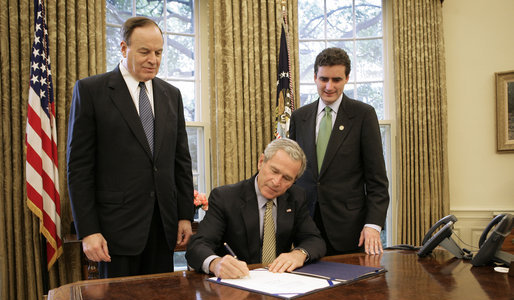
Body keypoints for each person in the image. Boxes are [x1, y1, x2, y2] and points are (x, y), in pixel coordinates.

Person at [67, 17, 194, 278]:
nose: (153, 59)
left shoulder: (172, 95)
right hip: (115, 231)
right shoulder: (91, 91)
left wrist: (184, 216)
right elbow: (79, 168)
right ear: (124, 49)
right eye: (145, 51)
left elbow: (181, 161)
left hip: (163, 228)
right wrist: (89, 231)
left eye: (158, 52)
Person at [289, 47, 389, 255]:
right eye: (323, 78)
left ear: (347, 79)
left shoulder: (363, 115)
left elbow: (377, 181)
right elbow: (293, 175)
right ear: (315, 77)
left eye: (336, 80)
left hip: (350, 229)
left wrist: (373, 225)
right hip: (305, 227)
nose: (329, 86)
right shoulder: (300, 117)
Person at [186, 138, 326, 279]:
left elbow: (314, 240)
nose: (276, 182)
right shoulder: (225, 197)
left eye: (287, 178)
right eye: (274, 171)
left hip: (279, 282)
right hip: (236, 285)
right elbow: (197, 246)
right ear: (261, 162)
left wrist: (299, 254)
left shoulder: (296, 197)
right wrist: (215, 263)